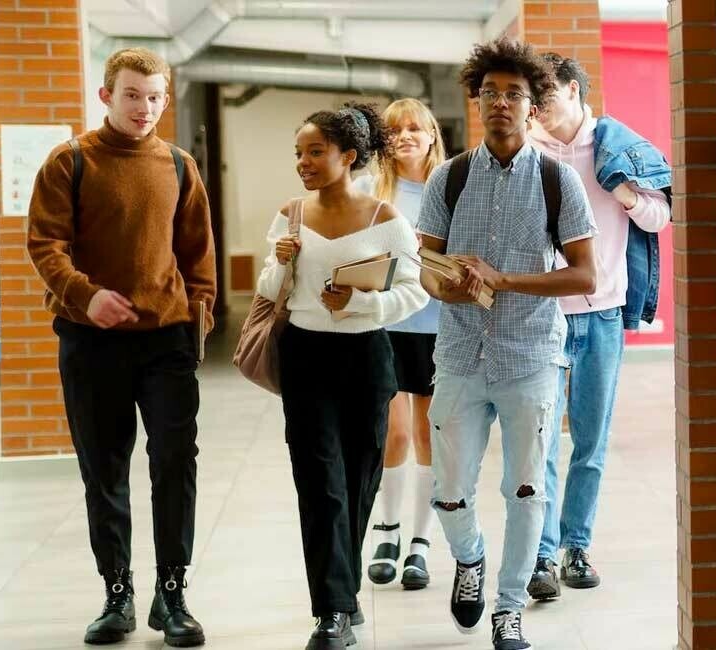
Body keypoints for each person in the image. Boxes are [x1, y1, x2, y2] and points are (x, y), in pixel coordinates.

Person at [26, 47, 214, 648]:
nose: (145, 108)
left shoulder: (181, 167)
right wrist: (87, 296)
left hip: (165, 343)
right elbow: (45, 245)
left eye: (155, 97)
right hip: (90, 341)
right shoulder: (70, 162)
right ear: (107, 96)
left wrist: (198, 321)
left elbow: (198, 258)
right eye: (133, 95)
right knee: (104, 470)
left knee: (174, 467)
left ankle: (173, 592)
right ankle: (117, 594)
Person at [418, 38, 597, 650]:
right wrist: (455, 286)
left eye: (513, 94)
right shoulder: (450, 176)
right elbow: (425, 267)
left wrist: (506, 279)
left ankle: (509, 604)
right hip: (460, 356)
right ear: (477, 100)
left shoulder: (557, 181)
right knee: (448, 490)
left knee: (526, 490)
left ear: (533, 105)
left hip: (530, 358)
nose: (500, 102)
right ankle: (469, 559)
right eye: (490, 92)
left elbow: (584, 275)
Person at [256, 101, 431, 649]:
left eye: (315, 152)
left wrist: (360, 301)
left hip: (366, 359)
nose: (303, 162)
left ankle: (344, 589)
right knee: (319, 484)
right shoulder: (291, 215)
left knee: (358, 481)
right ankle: (331, 611)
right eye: (299, 153)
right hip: (305, 357)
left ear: (348, 157)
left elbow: (415, 290)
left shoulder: (386, 220)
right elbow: (266, 290)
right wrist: (282, 261)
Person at [521, 52, 672, 601]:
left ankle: (575, 546)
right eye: (530, 101)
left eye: (545, 97)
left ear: (574, 90)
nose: (536, 109)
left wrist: (623, 191)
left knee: (590, 441)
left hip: (604, 313)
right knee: (540, 442)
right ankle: (540, 554)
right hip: (543, 316)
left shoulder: (615, 145)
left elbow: (660, 217)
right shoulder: (526, 153)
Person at [354, 98, 447, 592]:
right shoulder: (369, 190)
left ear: (432, 134)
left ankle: (420, 544)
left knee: (430, 435)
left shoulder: (450, 186)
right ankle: (386, 532)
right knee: (392, 434)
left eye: (416, 127)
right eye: (395, 130)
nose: (406, 136)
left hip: (436, 329)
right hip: (386, 326)